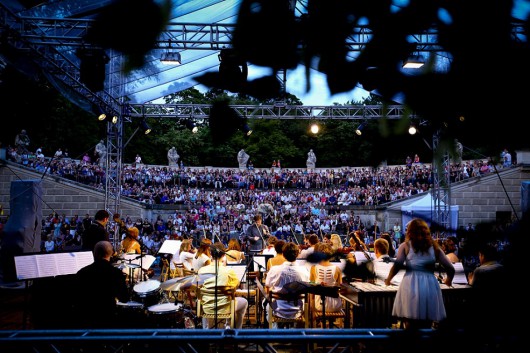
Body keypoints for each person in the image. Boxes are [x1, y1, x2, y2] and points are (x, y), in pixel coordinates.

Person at [385, 218, 455, 330]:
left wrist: (388, 279)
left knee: (409, 323)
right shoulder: (435, 247)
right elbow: (450, 268)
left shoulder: (405, 246)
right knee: (427, 324)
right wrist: (449, 280)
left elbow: (397, 266)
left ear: (410, 232)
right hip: (429, 284)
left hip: (410, 283)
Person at [75, 241, 129, 328]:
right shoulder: (115, 273)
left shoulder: (82, 272)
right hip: (107, 317)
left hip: (87, 319)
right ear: (111, 254)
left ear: (94, 253)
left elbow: (77, 296)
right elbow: (124, 298)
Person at [198, 242, 248, 329]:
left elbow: (200, 287)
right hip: (224, 308)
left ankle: (206, 329)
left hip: (207, 306)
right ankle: (233, 329)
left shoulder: (201, 270)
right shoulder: (228, 271)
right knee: (244, 302)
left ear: (210, 253)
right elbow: (234, 286)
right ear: (223, 255)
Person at [265, 242, 309, 325]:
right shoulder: (304, 270)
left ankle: (276, 331)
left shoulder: (274, 269)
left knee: (266, 304)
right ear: (297, 254)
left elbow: (268, 285)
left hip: (278, 309)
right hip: (298, 309)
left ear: (283, 255)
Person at [309, 242, 342, 313]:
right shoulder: (337, 269)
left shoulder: (314, 268)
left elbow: (311, 286)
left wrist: (312, 305)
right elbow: (341, 288)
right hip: (335, 305)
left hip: (319, 305)